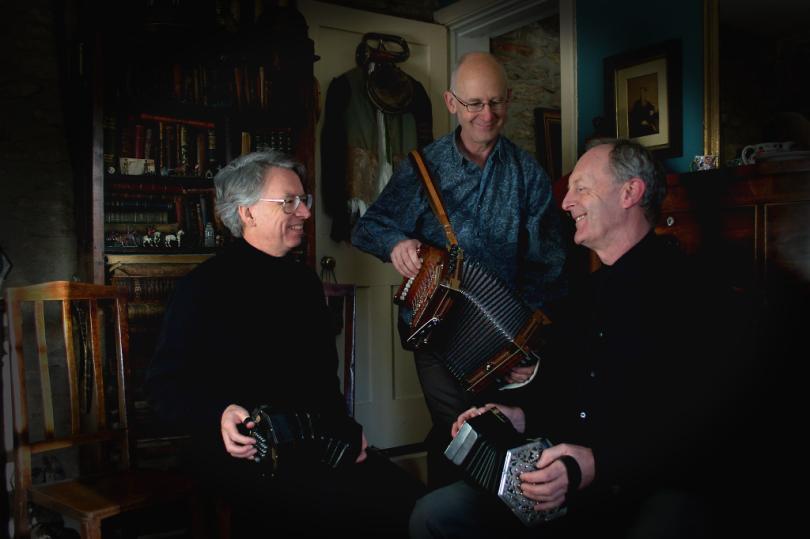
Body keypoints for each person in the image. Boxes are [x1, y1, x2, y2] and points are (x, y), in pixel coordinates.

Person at [409, 139, 754, 538]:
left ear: (630, 192)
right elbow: (565, 392)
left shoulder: (696, 293)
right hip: (567, 483)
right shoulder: (580, 298)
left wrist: (599, 463)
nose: (566, 202)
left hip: (650, 486)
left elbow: (701, 426)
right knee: (435, 514)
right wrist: (514, 416)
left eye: (581, 188)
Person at [145, 151, 424, 538]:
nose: (306, 214)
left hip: (314, 445)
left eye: (303, 201)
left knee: (414, 507)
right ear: (247, 213)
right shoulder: (201, 289)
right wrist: (218, 414)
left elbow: (322, 379)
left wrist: (346, 426)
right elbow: (164, 387)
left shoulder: (304, 283)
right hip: (244, 456)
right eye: (289, 202)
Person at [351, 51, 567, 489]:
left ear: (508, 99)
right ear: (452, 103)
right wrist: (396, 243)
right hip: (436, 329)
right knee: (464, 432)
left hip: (504, 337)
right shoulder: (422, 167)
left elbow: (550, 267)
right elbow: (368, 226)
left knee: (493, 432)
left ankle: (457, 513)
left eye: (495, 102)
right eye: (474, 104)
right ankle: (447, 515)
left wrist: (531, 348)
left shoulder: (529, 174)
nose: (486, 115)